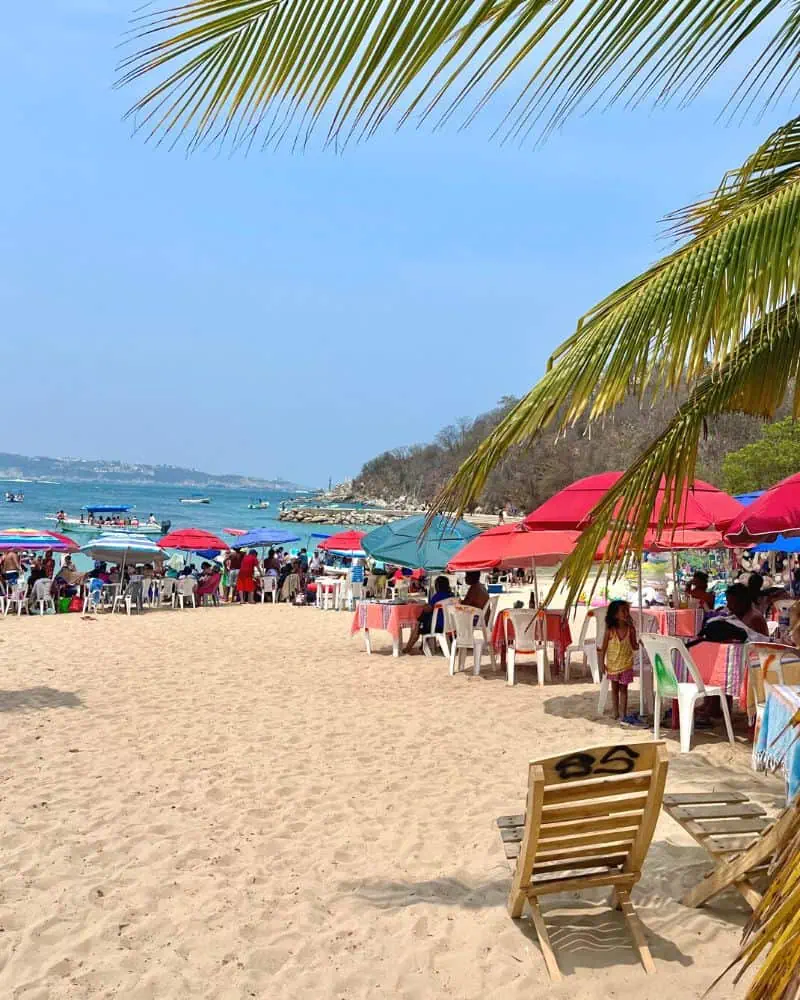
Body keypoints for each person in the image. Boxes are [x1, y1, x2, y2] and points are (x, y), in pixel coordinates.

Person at [599, 600, 637, 723]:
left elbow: (634, 645)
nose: (626, 613)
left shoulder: (631, 630)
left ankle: (623, 714)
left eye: (627, 610)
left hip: (626, 664)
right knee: (614, 689)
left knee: (624, 690)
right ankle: (616, 712)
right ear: (615, 615)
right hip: (613, 665)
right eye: (623, 611)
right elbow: (603, 648)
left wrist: (642, 643)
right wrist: (601, 664)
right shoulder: (610, 631)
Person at [402, 576, 454, 655]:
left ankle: (409, 647)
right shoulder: (452, 596)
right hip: (451, 625)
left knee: (420, 620)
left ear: (437, 586)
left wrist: (422, 604)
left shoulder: (437, 596)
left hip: (438, 625)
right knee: (422, 619)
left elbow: (428, 609)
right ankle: (420, 645)